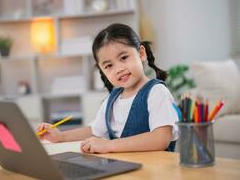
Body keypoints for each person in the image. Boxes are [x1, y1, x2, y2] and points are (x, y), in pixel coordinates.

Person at [37, 23, 179, 153]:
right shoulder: (113, 98)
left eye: (123, 57)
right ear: (102, 70)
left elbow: (160, 139)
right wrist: (60, 136)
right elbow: (95, 131)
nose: (118, 69)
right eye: (109, 65)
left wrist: (108, 145)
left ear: (141, 53)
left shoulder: (157, 92)